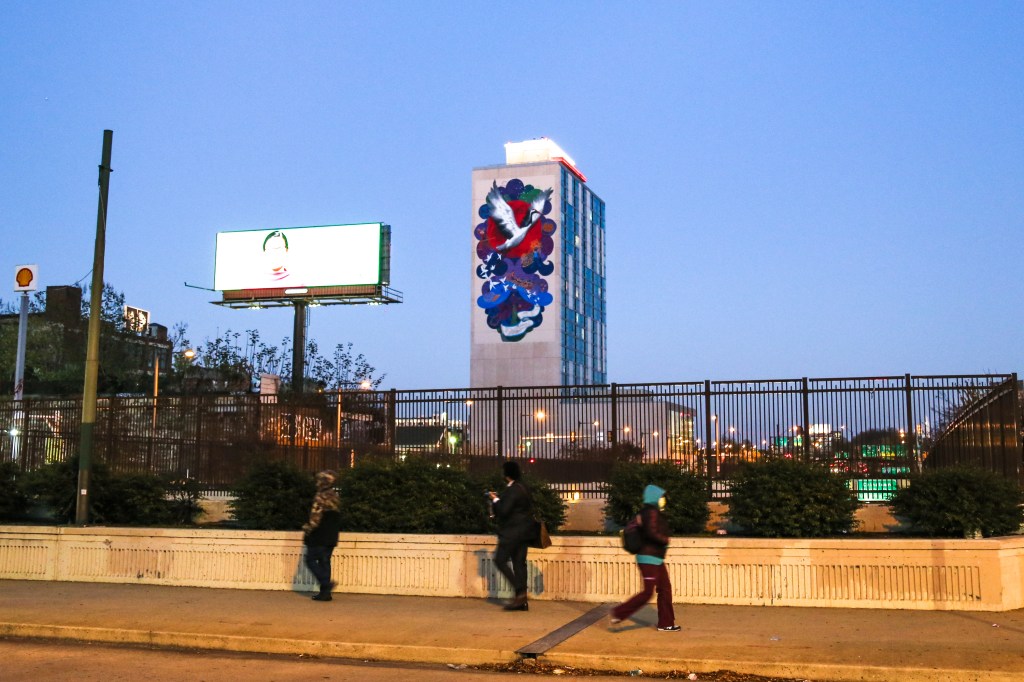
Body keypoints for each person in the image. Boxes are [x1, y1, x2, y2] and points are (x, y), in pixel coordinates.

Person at [610, 484, 680, 631]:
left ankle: (666, 623)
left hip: (655, 558)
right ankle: (618, 613)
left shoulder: (649, 511)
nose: (663, 500)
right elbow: (651, 532)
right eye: (661, 497)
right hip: (648, 558)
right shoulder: (651, 512)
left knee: (665, 589)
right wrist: (665, 539)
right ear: (654, 497)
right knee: (648, 592)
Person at [487, 460, 534, 611]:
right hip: (524, 532)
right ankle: (521, 602)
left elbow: (503, 511)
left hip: (511, 533)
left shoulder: (512, 490)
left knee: (500, 560)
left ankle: (520, 592)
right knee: (519, 564)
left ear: (506, 474)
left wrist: (495, 499)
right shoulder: (524, 487)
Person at [302, 470, 342, 602]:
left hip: (319, 536)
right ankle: (325, 594)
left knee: (310, 560)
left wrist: (307, 529)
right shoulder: (335, 496)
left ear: (322, 482)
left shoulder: (320, 497)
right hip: (332, 536)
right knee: (325, 561)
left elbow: (315, 518)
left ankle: (326, 583)